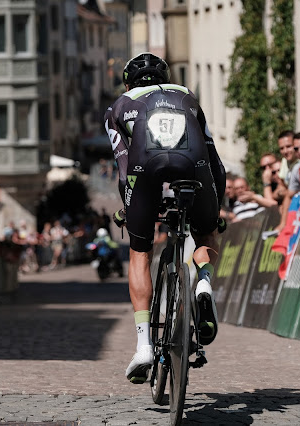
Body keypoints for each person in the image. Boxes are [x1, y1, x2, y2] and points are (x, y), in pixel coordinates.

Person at [104, 52, 225, 383]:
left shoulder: (118, 106)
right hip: (196, 166)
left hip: (144, 168)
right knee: (206, 234)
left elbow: (123, 164)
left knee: (140, 251)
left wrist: (129, 208)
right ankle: (202, 284)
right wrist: (217, 206)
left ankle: (144, 346)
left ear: (128, 83)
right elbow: (212, 154)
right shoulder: (187, 97)